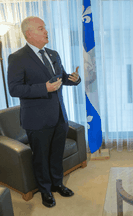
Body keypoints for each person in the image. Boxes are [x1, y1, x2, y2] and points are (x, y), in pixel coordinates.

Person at [8, 16, 81, 208]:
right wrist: (44, 89)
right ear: (29, 34)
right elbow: (14, 89)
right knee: (41, 157)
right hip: (36, 119)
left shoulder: (53, 53)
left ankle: (57, 184)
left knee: (56, 154)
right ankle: (45, 190)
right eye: (41, 28)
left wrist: (74, 79)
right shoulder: (17, 58)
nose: (46, 31)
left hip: (59, 116)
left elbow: (61, 78)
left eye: (45, 28)